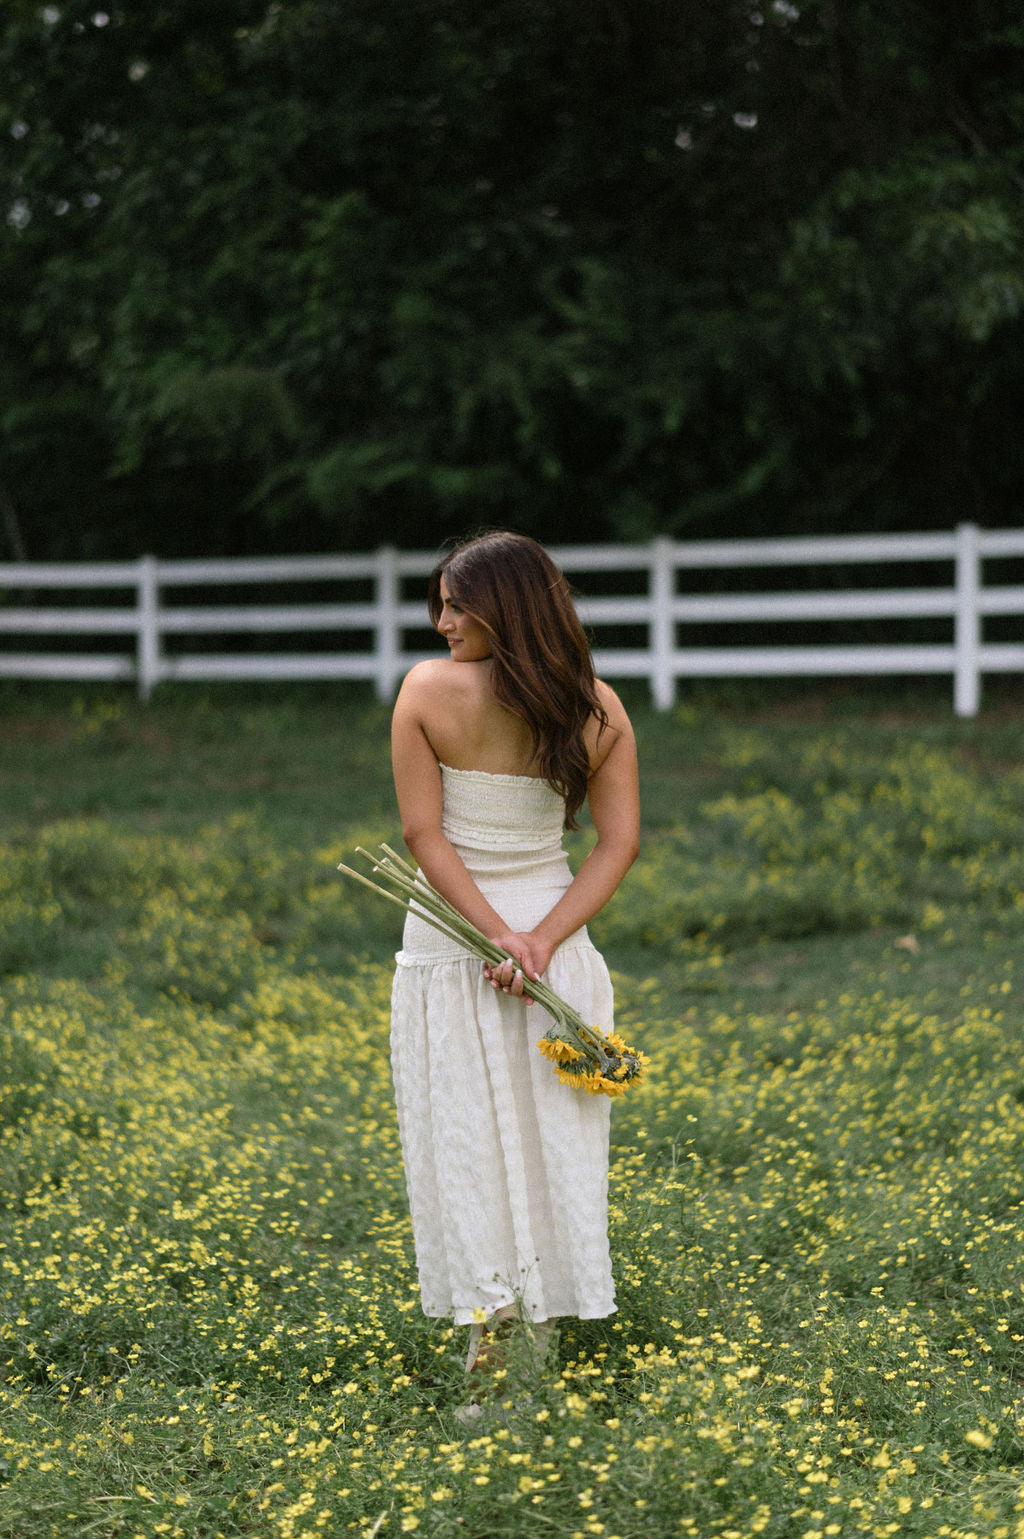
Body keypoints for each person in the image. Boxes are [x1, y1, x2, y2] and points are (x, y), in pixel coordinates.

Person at [388, 531, 640, 1406]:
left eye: (459, 604)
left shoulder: (425, 690)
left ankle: (497, 1371)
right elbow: (618, 844)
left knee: (470, 1144)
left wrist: (501, 939)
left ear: (511, 608)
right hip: (539, 939)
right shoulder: (598, 704)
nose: (442, 620)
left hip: (464, 941)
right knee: (541, 1145)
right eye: (441, 601)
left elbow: (425, 836)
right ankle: (515, 1362)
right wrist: (535, 939)